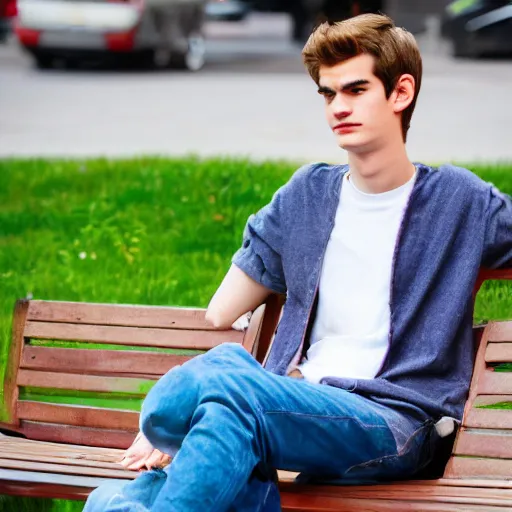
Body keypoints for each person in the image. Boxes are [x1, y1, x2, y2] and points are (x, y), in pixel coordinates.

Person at [84, 13, 512, 512]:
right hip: (290, 401)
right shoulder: (307, 193)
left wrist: (188, 411)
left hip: (395, 418)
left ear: (400, 93)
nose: (338, 108)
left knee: (225, 377)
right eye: (328, 94)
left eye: (355, 90)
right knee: (111, 498)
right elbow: (222, 311)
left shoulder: (460, 201)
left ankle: (168, 416)